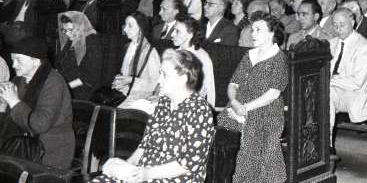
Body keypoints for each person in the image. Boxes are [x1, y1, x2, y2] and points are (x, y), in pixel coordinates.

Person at [93, 49, 214, 182]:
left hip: (176, 178)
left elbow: (189, 164)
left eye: (164, 75)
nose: (159, 80)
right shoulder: (164, 103)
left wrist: (147, 174)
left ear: (182, 79)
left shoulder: (199, 110)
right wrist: (125, 168)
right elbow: (144, 146)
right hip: (145, 174)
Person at [219, 14, 288, 183]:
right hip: (239, 105)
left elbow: (273, 94)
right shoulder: (249, 55)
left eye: (258, 30)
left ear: (271, 34)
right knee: (221, 133)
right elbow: (233, 83)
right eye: (252, 30)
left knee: (252, 141)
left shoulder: (279, 58)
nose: (253, 34)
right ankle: (223, 176)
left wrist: (245, 108)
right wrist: (234, 102)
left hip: (266, 110)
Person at [0, 37, 75, 169]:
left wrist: (14, 102)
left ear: (35, 61)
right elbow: (13, 116)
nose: (14, 65)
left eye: (19, 60)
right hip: (23, 144)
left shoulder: (53, 82)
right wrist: (3, 105)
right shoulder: (20, 79)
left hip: (50, 150)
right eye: (13, 60)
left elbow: (40, 124)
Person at [329, 8, 367, 146]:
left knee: (325, 94)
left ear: (352, 23)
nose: (338, 29)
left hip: (355, 94)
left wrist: (330, 81)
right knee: (319, 95)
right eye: (335, 25)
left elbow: (357, 82)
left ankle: (324, 143)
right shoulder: (331, 43)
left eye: (342, 25)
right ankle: (324, 143)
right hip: (334, 91)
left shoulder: (363, 46)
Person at [114, 12, 161, 108]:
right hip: (125, 93)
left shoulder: (150, 53)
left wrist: (131, 80)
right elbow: (124, 73)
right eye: (125, 25)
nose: (125, 29)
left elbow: (155, 83)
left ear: (140, 29)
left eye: (130, 26)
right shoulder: (128, 47)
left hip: (140, 97)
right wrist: (120, 80)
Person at [55, 11, 103, 100]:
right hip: (66, 86)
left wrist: (67, 87)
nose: (67, 34)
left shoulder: (92, 42)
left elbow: (90, 77)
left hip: (84, 91)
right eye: (65, 30)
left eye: (70, 30)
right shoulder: (71, 40)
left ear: (80, 27)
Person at [172, 17, 216, 108]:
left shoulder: (202, 57)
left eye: (177, 31)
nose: (172, 34)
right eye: (173, 30)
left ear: (190, 34)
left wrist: (210, 111)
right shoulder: (174, 54)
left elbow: (210, 88)